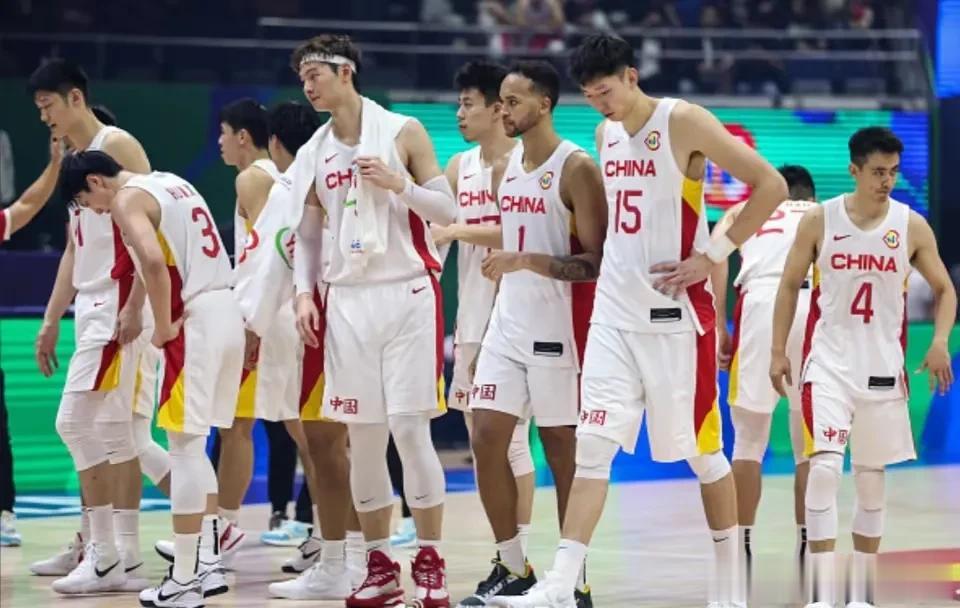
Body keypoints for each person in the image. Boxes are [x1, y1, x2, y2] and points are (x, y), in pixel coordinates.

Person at [491, 34, 788, 608]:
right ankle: (561, 584)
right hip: (612, 314)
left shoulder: (684, 120)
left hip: (674, 320)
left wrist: (712, 255)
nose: (599, 104)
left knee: (704, 455)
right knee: (593, 447)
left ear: (631, 75)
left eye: (605, 91)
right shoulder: (605, 134)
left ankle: (730, 585)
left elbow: (769, 185)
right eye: (589, 95)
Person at [288, 33, 456, 607]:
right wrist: (303, 293)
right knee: (363, 439)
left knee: (409, 430)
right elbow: (308, 234)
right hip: (347, 300)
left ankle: (430, 562)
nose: (308, 87)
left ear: (345, 72)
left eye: (315, 75)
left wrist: (398, 183)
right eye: (302, 79)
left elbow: (447, 209)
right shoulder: (314, 151)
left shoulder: (403, 131)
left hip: (407, 292)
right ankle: (379, 566)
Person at [770, 127, 956, 608]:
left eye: (893, 172)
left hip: (882, 369)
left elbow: (945, 289)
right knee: (825, 468)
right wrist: (777, 350)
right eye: (877, 172)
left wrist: (939, 340)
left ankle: (862, 595)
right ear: (854, 170)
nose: (887, 181)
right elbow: (788, 285)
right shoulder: (820, 219)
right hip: (828, 365)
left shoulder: (911, 225)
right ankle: (820, 593)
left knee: (871, 480)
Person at [59, 150, 244, 608]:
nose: (95, 211)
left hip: (194, 319)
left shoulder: (126, 199)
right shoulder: (173, 181)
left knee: (184, 448)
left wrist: (161, 326)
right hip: (227, 310)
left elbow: (154, 263)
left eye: (87, 202)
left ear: (97, 182)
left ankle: (183, 581)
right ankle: (206, 563)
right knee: (195, 446)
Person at [459, 60, 605, 608]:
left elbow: (595, 261)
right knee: (485, 437)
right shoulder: (507, 166)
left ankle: (572, 581)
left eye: (514, 100)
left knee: (563, 453)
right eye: (500, 100)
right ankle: (513, 565)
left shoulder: (577, 168)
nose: (504, 109)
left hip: (558, 328)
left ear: (544, 104)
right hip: (507, 323)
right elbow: (513, 239)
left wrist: (526, 260)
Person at [28, 60, 169, 594]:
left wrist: (135, 304)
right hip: (91, 303)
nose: (44, 117)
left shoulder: (120, 145)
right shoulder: (74, 163)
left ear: (75, 98)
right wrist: (50, 318)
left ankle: (116, 551)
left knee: (99, 428)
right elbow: (74, 248)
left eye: (48, 105)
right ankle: (108, 549)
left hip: (120, 303)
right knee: (114, 432)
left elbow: (151, 227)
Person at [429, 62, 540, 586]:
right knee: (482, 445)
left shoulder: (526, 162)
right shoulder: (459, 166)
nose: (459, 113)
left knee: (511, 442)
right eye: (458, 104)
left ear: (499, 108)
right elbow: (436, 238)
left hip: (519, 321)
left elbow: (524, 231)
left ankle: (518, 560)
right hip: (472, 322)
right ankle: (508, 556)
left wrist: (460, 231)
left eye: (468, 104)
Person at [260, 100, 367, 599]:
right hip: (315, 320)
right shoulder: (298, 188)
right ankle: (338, 555)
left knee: (344, 443)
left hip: (338, 319)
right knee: (325, 443)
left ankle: (353, 558)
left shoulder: (289, 188)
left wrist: (254, 323)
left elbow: (270, 263)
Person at [711, 164, 818, 598]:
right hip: (811, 305)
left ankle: (741, 544)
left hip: (760, 304)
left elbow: (715, 257)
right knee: (810, 444)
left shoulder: (743, 210)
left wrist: (720, 324)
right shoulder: (824, 213)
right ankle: (811, 543)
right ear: (809, 194)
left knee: (748, 443)